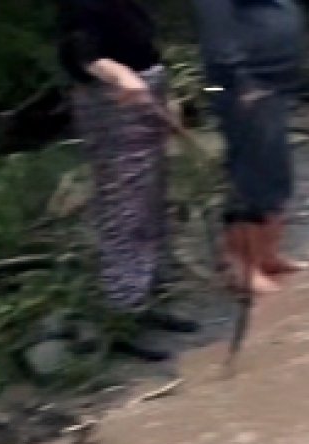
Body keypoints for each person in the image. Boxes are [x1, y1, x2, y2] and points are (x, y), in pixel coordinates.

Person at [58, 0, 201, 362]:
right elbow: (81, 52)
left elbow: (136, 35)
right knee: (124, 207)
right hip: (112, 99)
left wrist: (162, 91)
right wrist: (120, 75)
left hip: (144, 84)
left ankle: (145, 299)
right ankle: (120, 315)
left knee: (152, 201)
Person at [191, 0, 309, 295]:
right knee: (250, 170)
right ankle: (242, 267)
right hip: (237, 84)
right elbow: (216, 32)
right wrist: (240, 80)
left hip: (272, 79)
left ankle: (267, 255)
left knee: (274, 167)